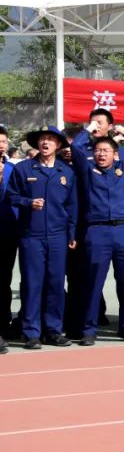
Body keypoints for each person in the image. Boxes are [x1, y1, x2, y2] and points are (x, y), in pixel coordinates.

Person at [69, 135, 124, 345]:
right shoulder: (87, 170)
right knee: (92, 282)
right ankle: (89, 329)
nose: (101, 154)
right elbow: (76, 146)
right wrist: (90, 130)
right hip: (97, 230)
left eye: (105, 151)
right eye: (97, 151)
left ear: (115, 154)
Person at [8, 126, 78, 349]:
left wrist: (72, 233)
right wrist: (28, 203)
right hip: (31, 235)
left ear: (58, 144)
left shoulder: (66, 172)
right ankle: (31, 332)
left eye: (50, 139)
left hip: (58, 236)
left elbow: (72, 206)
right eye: (42, 139)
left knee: (55, 284)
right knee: (32, 284)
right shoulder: (24, 168)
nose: (45, 142)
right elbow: (11, 195)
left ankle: (53, 330)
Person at [0, 126, 19, 344]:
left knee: (5, 279)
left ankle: (4, 322)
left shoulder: (14, 169)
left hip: (8, 231)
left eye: (3, 141)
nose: (0, 145)